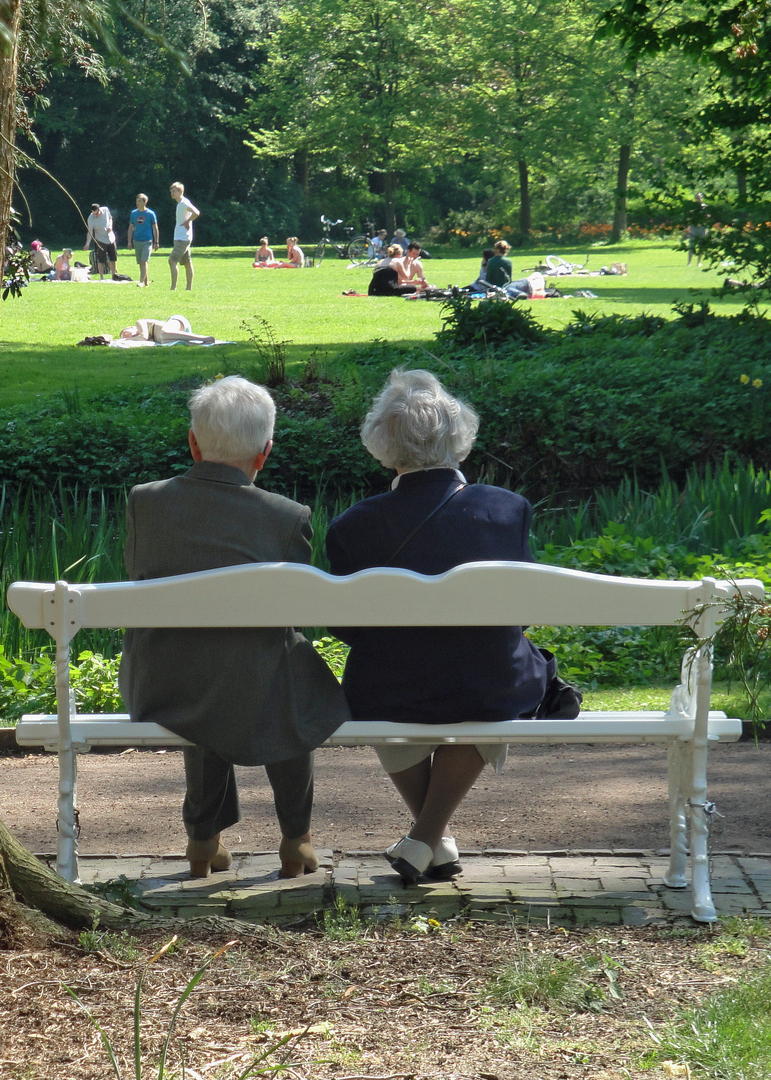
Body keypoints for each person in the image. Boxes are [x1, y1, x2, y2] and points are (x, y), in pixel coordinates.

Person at [325, 369, 580, 885]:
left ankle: (428, 839)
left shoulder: (352, 525)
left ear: (382, 445)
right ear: (459, 437)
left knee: (388, 679)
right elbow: (521, 610)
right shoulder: (508, 509)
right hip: (489, 684)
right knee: (492, 671)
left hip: (390, 691)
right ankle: (428, 836)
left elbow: (347, 627)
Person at [119, 377, 351, 879]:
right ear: (264, 453)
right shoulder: (287, 517)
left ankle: (203, 839)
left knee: (209, 670)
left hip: (162, 682)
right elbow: (292, 609)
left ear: (193, 443)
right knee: (286, 678)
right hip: (250, 683)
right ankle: (297, 839)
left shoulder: (145, 501)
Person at [169, 182, 200, 290]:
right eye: (171, 191)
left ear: (180, 192)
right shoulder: (180, 203)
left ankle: (173, 288)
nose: (172, 193)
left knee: (172, 260)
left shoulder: (183, 203)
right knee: (187, 263)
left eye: (174, 191)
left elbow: (196, 212)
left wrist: (188, 221)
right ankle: (188, 288)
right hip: (181, 237)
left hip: (183, 238)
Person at [118, 313, 216, 345]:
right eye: (123, 337)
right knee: (164, 341)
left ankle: (205, 338)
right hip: (174, 335)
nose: (126, 335)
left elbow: (144, 336)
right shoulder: (144, 340)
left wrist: (126, 340)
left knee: (164, 333)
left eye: (125, 332)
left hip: (177, 322)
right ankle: (198, 344)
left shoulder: (139, 323)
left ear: (131, 327)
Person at [126, 193, 159, 287]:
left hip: (147, 241)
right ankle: (146, 282)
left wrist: (156, 242)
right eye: (137, 201)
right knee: (141, 263)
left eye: (140, 201)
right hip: (137, 241)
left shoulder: (151, 214)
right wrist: (129, 241)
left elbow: (155, 228)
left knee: (144, 261)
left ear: (145, 202)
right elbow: (130, 227)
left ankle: (140, 282)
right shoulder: (134, 213)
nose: (138, 203)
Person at [85, 204, 118, 279]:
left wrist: (110, 226)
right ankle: (101, 277)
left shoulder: (105, 210)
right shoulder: (91, 218)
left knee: (113, 258)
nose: (95, 215)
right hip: (100, 239)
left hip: (111, 237)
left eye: (96, 213)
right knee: (101, 259)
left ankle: (113, 276)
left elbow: (110, 219)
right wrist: (87, 244)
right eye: (93, 213)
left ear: (99, 210)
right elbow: (90, 231)